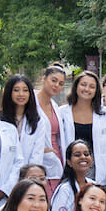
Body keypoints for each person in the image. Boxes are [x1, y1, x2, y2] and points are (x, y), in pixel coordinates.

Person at [58, 70, 106, 192]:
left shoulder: (104, 114)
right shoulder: (62, 113)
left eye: (92, 86)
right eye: (83, 84)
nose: (87, 89)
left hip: (96, 170)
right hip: (69, 169)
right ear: (76, 86)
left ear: (96, 91)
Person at [1, 73, 53, 186]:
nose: (21, 94)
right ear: (9, 92)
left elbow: (36, 156)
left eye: (25, 90)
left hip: (27, 180)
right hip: (3, 179)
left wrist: (26, 180)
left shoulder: (37, 122)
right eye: (16, 90)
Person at [35, 64, 68, 195]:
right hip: (39, 158)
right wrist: (41, 150)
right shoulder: (31, 102)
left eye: (60, 83)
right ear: (44, 79)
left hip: (57, 159)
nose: (56, 86)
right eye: (53, 80)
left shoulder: (55, 106)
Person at [51, 140, 94, 211]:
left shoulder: (94, 185)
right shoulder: (64, 190)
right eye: (77, 155)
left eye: (86, 154)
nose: (83, 157)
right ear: (69, 162)